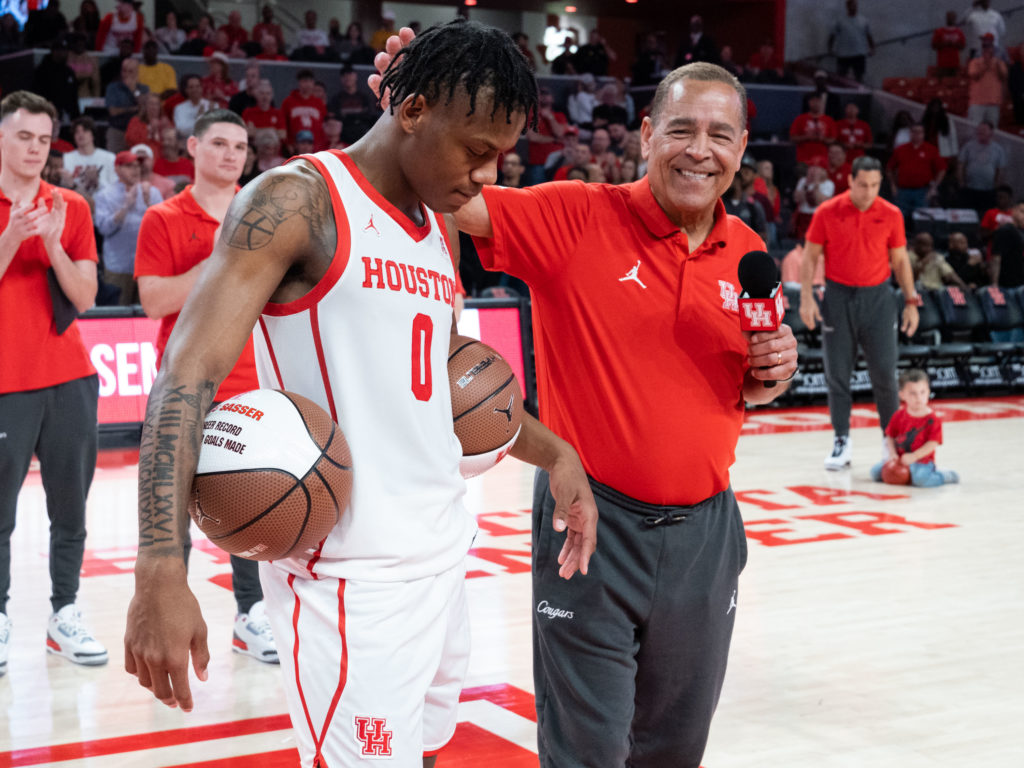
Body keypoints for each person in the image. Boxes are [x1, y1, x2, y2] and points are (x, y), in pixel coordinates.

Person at [124, 22, 597, 768]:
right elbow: (186, 377)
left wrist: (554, 452)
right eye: (475, 151)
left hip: (444, 552)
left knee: (429, 753)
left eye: (499, 158)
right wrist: (160, 569)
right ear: (411, 112)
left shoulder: (438, 223)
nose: (486, 176)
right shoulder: (294, 203)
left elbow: (433, 381)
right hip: (351, 583)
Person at [371, 26, 797, 758]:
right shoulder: (573, 215)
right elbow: (439, 192)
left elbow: (745, 394)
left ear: (741, 148)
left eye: (720, 135)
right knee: (586, 751)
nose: (701, 150)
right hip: (590, 522)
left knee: (674, 749)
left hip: (706, 535)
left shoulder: (750, 254)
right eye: (683, 129)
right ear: (646, 133)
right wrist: (408, 115)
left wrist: (773, 376)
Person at [132, 110, 279, 667]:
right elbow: (154, 301)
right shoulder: (164, 217)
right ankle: (170, 610)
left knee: (255, 506)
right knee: (173, 510)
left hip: (258, 383)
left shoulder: (263, 210)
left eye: (240, 146)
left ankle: (253, 613)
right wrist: (224, 257)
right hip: (191, 387)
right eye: (219, 143)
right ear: (192, 146)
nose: (231, 155)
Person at [0, 90, 105, 675]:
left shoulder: (70, 206)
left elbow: (85, 296)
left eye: (44, 139)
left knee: (71, 510)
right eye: (24, 137)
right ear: (2, 139)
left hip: (69, 378)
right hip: (4, 382)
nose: (36, 149)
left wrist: (48, 241)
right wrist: (14, 235)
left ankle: (65, 612)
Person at [800, 155, 919, 470]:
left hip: (879, 300)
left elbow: (901, 261)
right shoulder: (827, 211)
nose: (869, 191)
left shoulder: (891, 214)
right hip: (837, 297)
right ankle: (842, 441)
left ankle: (890, 440)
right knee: (837, 375)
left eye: (875, 185)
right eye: (863, 185)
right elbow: (809, 258)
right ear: (850, 181)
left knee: (884, 375)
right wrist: (807, 299)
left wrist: (910, 301)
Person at [93, 150, 160, 303]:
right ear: (117, 169)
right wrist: (125, 206)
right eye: (129, 166)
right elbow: (103, 228)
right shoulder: (105, 195)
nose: (136, 170)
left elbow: (165, 229)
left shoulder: (152, 193)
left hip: (148, 269)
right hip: (119, 267)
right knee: (117, 316)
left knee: (147, 319)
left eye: (137, 166)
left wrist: (149, 203)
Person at [871, 369, 959, 486]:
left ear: (928, 392)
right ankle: (908, 476)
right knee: (875, 472)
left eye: (922, 392)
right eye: (913, 393)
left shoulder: (932, 419)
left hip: (922, 461)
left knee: (920, 480)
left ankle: (944, 476)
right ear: (902, 395)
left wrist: (914, 456)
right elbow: (890, 436)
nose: (918, 397)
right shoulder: (898, 415)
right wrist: (892, 454)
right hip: (901, 460)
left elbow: (932, 443)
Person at [886, 123, 946, 222]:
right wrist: (893, 185)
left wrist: (934, 187)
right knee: (899, 219)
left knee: (922, 220)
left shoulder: (931, 150)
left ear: (923, 134)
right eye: (914, 131)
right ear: (910, 133)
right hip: (902, 191)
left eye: (920, 132)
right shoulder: (901, 150)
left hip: (923, 191)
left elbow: (942, 169)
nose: (917, 134)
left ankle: (921, 237)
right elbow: (889, 168)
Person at [957, 120, 1006, 214]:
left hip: (988, 191)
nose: (980, 132)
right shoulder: (968, 146)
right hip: (969, 189)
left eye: (984, 130)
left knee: (984, 217)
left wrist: (996, 186)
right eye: (979, 129)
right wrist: (961, 182)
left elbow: (1001, 170)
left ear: (991, 132)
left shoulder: (998, 149)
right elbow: (961, 164)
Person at [63, 115, 116, 197]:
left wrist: (97, 182)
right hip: (77, 200)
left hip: (105, 203)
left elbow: (115, 187)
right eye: (77, 132)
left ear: (92, 135)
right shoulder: (66, 158)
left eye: (85, 130)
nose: (81, 134)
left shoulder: (109, 157)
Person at [105, 57, 148, 152]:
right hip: (117, 131)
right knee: (114, 161)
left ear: (137, 73)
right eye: (124, 71)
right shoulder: (113, 88)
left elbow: (144, 110)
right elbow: (113, 111)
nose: (127, 74)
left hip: (138, 132)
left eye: (131, 71)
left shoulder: (144, 89)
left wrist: (133, 90)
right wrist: (133, 109)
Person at [828, 0, 875, 82]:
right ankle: (840, 93)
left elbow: (869, 36)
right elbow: (832, 36)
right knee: (840, 77)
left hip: (859, 54)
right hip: (843, 55)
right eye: (851, 5)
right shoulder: (840, 21)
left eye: (855, 5)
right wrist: (830, 49)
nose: (853, 7)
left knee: (859, 77)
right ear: (847, 6)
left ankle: (860, 94)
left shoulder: (863, 20)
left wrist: (872, 48)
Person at [966, 33, 1006, 126]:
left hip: (993, 102)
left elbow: (1004, 76)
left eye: (988, 46)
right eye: (984, 46)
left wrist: (995, 63)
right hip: (977, 103)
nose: (986, 48)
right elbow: (974, 75)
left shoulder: (999, 62)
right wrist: (986, 64)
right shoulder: (975, 62)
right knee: (974, 130)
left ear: (992, 46)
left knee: (992, 132)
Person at [790, 94, 835, 165]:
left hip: (822, 158)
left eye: (818, 101)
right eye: (813, 101)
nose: (816, 104)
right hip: (803, 158)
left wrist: (823, 139)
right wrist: (807, 137)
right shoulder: (800, 119)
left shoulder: (828, 120)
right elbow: (792, 138)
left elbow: (833, 140)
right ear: (809, 102)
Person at [989, 199, 1024, 288]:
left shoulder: (1020, 232)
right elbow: (996, 258)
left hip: (1019, 282)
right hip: (1007, 285)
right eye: (1022, 212)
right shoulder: (1005, 230)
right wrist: (994, 284)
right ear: (1013, 211)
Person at [125, 92, 173, 156]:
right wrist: (149, 132)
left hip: (162, 157)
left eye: (157, 104)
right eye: (151, 104)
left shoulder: (165, 122)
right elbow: (130, 140)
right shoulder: (136, 121)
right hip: (140, 154)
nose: (154, 107)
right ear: (145, 107)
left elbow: (171, 143)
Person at [932, 10, 966, 77]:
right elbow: (933, 45)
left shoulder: (959, 32)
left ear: (955, 19)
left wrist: (954, 44)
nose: (951, 19)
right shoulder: (939, 31)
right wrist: (945, 44)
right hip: (942, 64)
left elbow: (963, 46)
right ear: (946, 18)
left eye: (952, 17)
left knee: (954, 84)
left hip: (955, 64)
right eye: (949, 17)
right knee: (942, 85)